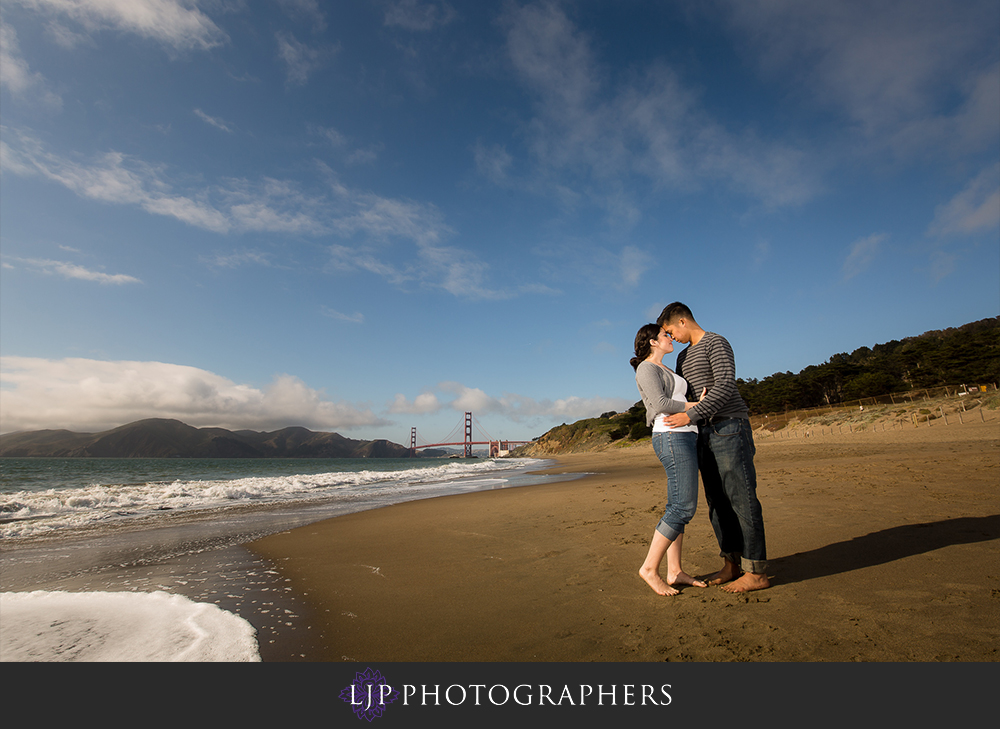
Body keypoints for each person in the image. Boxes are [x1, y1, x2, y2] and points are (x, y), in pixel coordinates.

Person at [658, 303, 770, 593]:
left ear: (682, 321)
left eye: (671, 331)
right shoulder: (682, 356)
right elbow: (686, 394)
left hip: (729, 426)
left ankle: (756, 571)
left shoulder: (715, 342)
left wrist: (689, 414)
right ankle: (732, 563)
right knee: (717, 504)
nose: (672, 337)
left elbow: (725, 386)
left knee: (741, 498)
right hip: (702, 433)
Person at [631, 323, 708, 596]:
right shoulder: (646, 368)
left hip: (687, 434)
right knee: (683, 507)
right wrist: (694, 405)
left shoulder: (667, 368)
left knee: (677, 504)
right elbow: (661, 404)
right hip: (670, 437)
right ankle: (650, 569)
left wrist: (692, 406)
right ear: (652, 341)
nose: (670, 337)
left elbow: (674, 398)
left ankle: (674, 570)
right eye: (665, 335)